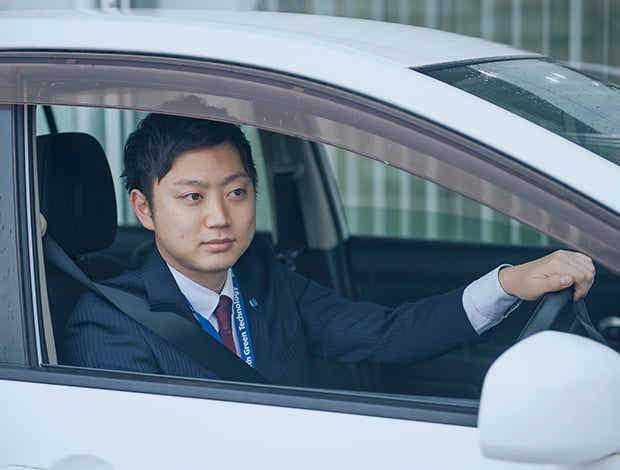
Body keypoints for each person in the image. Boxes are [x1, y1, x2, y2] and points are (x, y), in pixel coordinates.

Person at [61, 109, 595, 386]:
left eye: (236, 192)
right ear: (144, 208)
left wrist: (508, 284)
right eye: (193, 197)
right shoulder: (109, 323)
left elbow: (385, 334)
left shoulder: (263, 278)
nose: (220, 217)